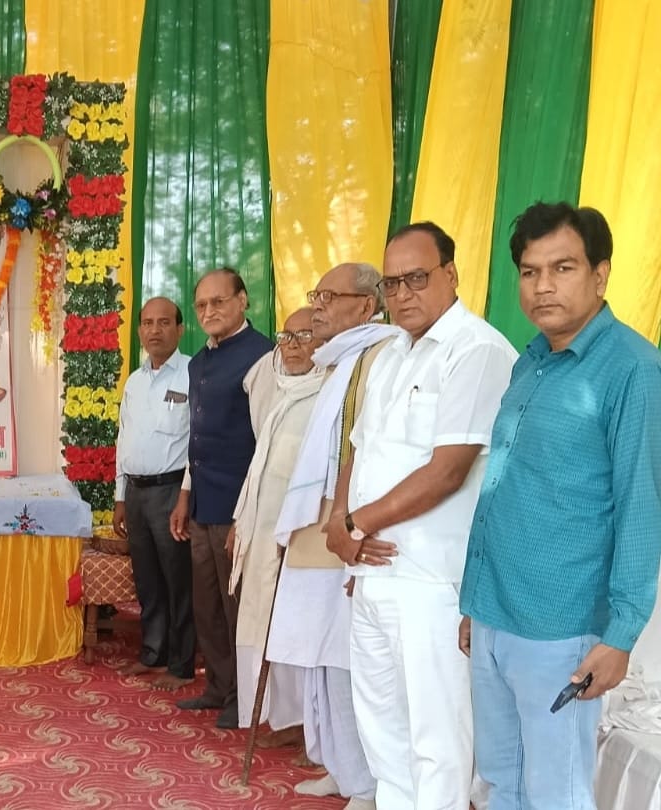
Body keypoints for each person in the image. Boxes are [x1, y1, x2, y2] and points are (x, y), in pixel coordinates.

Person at [459, 202, 661, 810]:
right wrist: (476, 603)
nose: (542, 285)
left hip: (562, 626)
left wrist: (620, 635)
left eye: (562, 268)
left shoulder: (634, 370)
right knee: (501, 778)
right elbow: (504, 488)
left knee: (556, 792)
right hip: (494, 613)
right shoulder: (532, 362)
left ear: (600, 274)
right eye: (529, 271)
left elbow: (643, 506)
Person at [328, 223, 517, 810]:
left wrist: (357, 524)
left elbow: (448, 470)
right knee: (383, 733)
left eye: (417, 277)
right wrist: (339, 523)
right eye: (392, 283)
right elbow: (357, 449)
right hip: (373, 575)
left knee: (438, 743)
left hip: (434, 581)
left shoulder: (477, 350)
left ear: (451, 274)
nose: (403, 293)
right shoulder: (388, 355)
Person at [269, 263, 398, 808]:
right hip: (316, 521)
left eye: (329, 296)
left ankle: (367, 783)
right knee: (317, 655)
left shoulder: (381, 355)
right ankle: (339, 766)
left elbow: (368, 452)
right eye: (316, 295)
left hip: (347, 526)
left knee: (346, 658)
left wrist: (354, 523)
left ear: (366, 306)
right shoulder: (339, 359)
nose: (317, 306)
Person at [168, 268, 275, 729]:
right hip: (201, 504)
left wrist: (247, 515)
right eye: (202, 305)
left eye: (219, 301)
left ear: (243, 300)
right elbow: (197, 439)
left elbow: (266, 442)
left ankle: (244, 698)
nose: (209, 311)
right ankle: (217, 686)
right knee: (207, 605)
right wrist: (184, 496)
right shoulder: (198, 364)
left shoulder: (262, 357)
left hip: (238, 508)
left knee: (238, 609)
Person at [229, 307, 325, 740]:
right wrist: (241, 523)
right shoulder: (282, 394)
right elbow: (259, 470)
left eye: (304, 336)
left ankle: (310, 728)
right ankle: (280, 718)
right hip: (263, 536)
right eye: (286, 336)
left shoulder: (328, 397)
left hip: (303, 542)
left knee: (299, 634)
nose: (292, 346)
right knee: (262, 628)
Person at [111, 297, 194, 691]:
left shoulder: (193, 373)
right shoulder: (135, 380)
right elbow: (123, 439)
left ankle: (181, 664)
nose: (155, 330)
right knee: (147, 580)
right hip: (137, 493)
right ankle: (153, 653)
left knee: (178, 580)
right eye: (147, 323)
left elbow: (198, 442)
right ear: (140, 330)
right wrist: (120, 496)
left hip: (172, 491)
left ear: (180, 329)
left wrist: (185, 495)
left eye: (164, 322)